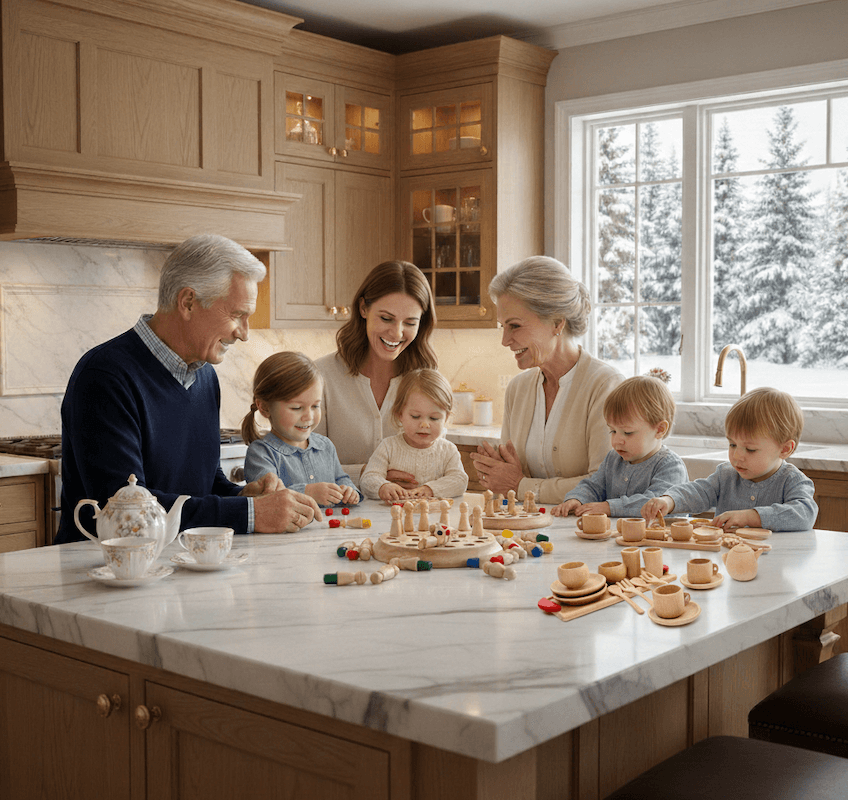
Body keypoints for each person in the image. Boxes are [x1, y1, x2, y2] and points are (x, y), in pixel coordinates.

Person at [55, 234, 321, 544]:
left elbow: (202, 486)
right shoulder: (105, 376)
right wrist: (251, 512)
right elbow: (125, 510)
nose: (244, 334)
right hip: (101, 576)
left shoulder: (205, 376)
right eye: (237, 315)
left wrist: (243, 495)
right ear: (188, 302)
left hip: (176, 568)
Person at [469, 256, 624, 505]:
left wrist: (520, 485)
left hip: (586, 535)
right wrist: (496, 472)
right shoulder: (517, 389)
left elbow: (607, 484)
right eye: (502, 327)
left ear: (557, 322)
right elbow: (509, 480)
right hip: (526, 533)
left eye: (515, 326)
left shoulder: (606, 386)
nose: (505, 340)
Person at [315, 260, 437, 487]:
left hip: (410, 516)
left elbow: (437, 459)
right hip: (337, 517)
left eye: (410, 322)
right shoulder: (320, 377)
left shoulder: (427, 380)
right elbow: (306, 466)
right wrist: (369, 474)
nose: (397, 333)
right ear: (363, 308)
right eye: (386, 318)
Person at [641, 387, 818, 531]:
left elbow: (805, 514)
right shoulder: (726, 475)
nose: (737, 456)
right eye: (732, 445)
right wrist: (669, 501)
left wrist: (751, 516)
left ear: (785, 449)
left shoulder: (793, 481)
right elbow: (698, 491)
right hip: (726, 559)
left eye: (750, 449)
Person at [551, 375, 688, 518]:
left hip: (662, 538)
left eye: (628, 433)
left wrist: (609, 507)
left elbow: (654, 503)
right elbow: (593, 486)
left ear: (659, 430)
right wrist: (577, 499)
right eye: (613, 431)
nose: (617, 441)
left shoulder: (671, 466)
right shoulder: (613, 459)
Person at [242, 352, 359, 508]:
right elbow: (268, 497)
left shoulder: (326, 446)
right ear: (264, 407)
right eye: (296, 408)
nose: (308, 416)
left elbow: (341, 478)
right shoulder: (261, 453)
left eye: (315, 406)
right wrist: (308, 492)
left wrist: (349, 490)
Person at [360, 369, 468, 501]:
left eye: (434, 418)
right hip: (392, 516)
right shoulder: (389, 446)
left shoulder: (448, 451)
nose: (424, 424)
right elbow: (368, 478)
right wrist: (383, 486)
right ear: (400, 414)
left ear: (446, 418)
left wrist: (430, 489)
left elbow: (459, 480)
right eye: (415, 416)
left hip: (434, 517)